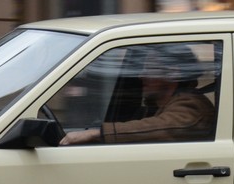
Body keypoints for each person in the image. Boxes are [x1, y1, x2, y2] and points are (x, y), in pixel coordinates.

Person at [60, 44, 216, 145]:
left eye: (149, 68)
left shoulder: (192, 105)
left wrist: (96, 134)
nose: (141, 75)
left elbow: (160, 127)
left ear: (173, 73)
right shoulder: (163, 105)